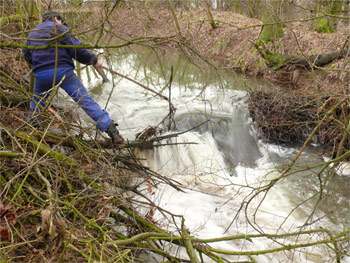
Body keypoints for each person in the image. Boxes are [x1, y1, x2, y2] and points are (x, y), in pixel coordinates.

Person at [22, 10, 124, 144]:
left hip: (41, 74)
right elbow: (77, 49)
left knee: (37, 101)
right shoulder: (60, 29)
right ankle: (113, 132)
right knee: (85, 101)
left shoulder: (32, 34)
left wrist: (39, 66)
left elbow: (27, 55)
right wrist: (94, 60)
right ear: (56, 18)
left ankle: (32, 129)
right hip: (63, 72)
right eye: (60, 20)